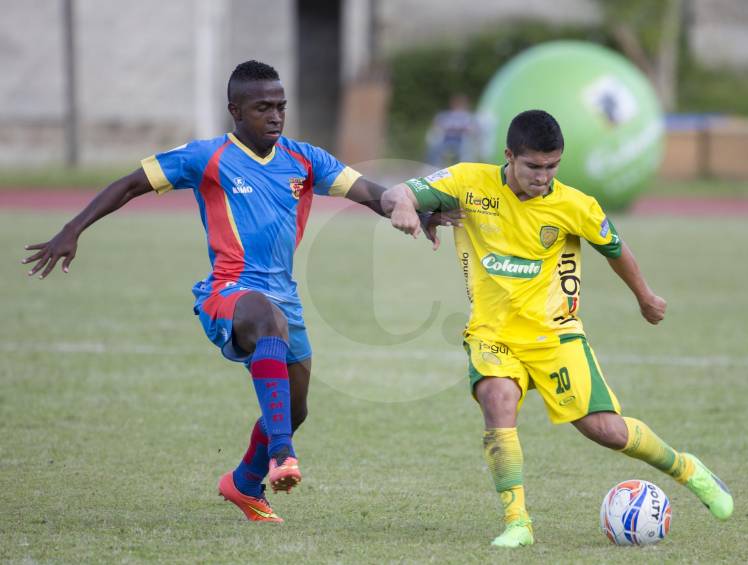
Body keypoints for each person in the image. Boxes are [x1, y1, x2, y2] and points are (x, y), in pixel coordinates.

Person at [21, 60, 451, 524]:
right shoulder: (205, 157)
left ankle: (244, 483)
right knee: (267, 324)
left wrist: (415, 208)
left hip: (284, 296)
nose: (275, 116)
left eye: (281, 107)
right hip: (228, 290)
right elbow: (129, 185)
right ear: (235, 111)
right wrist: (72, 228)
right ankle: (282, 456)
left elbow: (370, 193)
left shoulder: (305, 159)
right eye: (263, 107)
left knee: (296, 406)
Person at [381, 110, 733, 548]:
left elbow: (616, 249)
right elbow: (400, 190)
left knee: (606, 430)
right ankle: (518, 523)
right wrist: (404, 208)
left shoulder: (575, 205)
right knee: (497, 398)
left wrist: (644, 297)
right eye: (534, 166)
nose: (543, 176)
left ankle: (688, 469)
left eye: (552, 167)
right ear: (509, 156)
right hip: (492, 333)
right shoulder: (468, 181)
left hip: (556, 335)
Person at [425, 94, 481, 167]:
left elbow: (474, 130)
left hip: (462, 141)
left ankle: (465, 168)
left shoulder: (469, 117)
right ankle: (432, 168)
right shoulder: (444, 115)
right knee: (435, 147)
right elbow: (436, 127)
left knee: (467, 150)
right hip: (445, 139)